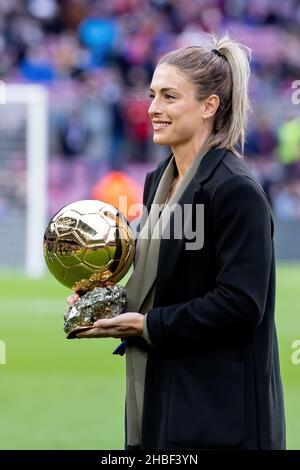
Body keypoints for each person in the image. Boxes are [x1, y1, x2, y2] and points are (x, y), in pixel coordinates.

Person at [68, 34, 286, 450]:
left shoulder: (234, 189)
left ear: (209, 106)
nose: (152, 108)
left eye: (169, 96)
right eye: (152, 95)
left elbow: (241, 304)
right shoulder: (157, 181)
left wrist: (149, 325)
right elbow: (161, 286)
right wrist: (99, 303)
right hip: (159, 395)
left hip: (219, 415)